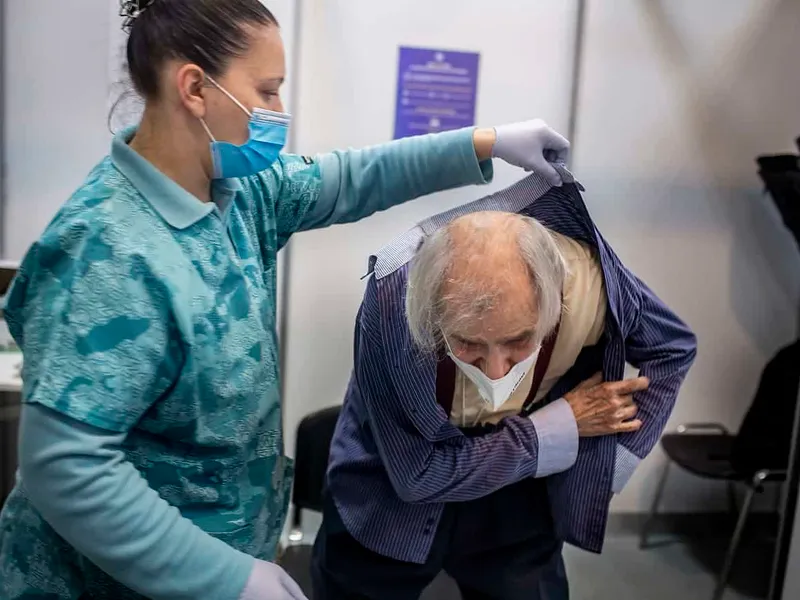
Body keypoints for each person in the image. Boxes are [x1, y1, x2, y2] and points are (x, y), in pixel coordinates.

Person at [0, 1, 573, 599]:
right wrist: (227, 579)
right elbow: (65, 469)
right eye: (268, 91)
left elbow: (349, 178)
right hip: (106, 582)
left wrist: (485, 143)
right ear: (194, 88)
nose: (279, 112)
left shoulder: (234, 193)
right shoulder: (110, 252)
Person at [312, 168, 698, 599]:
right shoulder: (394, 309)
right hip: (390, 491)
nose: (496, 371)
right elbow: (417, 477)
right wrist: (554, 430)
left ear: (555, 300)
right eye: (469, 344)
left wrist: (608, 463)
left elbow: (673, 349)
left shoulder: (589, 285)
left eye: (518, 341)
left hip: (516, 497)